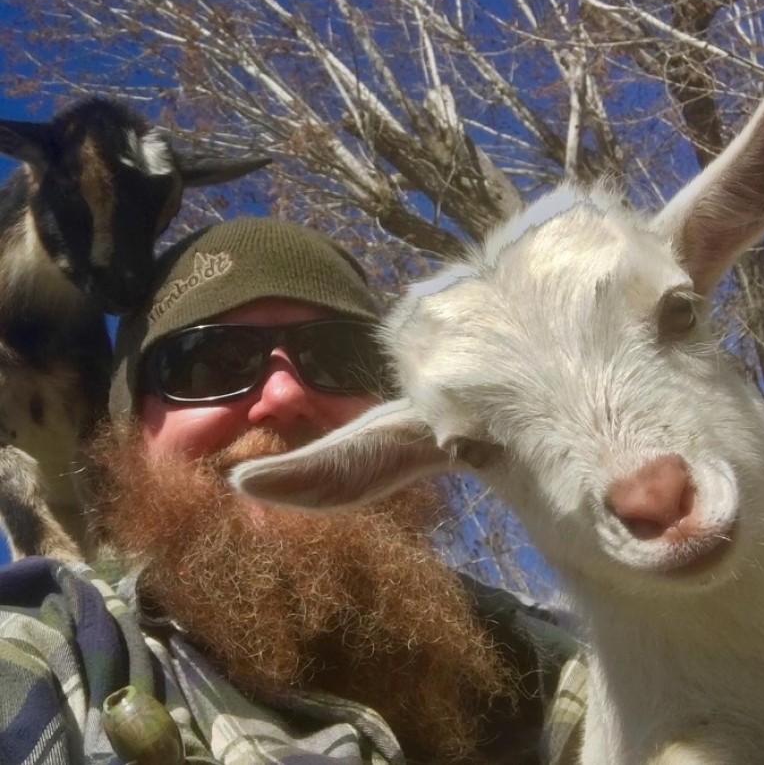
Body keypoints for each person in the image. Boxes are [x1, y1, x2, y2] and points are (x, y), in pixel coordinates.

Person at [0, 217, 586, 765]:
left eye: (341, 356)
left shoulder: (563, 662)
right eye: (210, 361)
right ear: (132, 438)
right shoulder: (55, 649)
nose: (284, 395)